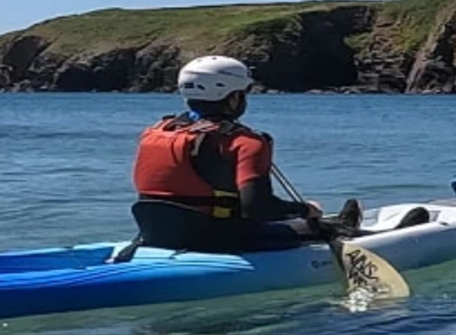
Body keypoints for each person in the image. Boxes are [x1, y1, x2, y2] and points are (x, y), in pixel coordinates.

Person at [123, 55, 360, 254]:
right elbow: (258, 209)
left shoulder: (155, 131)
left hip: (157, 234)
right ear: (234, 96)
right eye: (244, 93)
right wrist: (305, 209)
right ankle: (340, 228)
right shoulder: (245, 141)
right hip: (219, 240)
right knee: (314, 227)